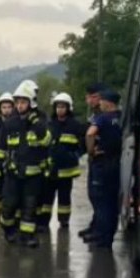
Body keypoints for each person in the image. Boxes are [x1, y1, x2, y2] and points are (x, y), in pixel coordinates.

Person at [0, 80, 50, 248]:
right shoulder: (10, 123)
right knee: (9, 207)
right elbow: (0, 146)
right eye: (17, 102)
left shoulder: (40, 121)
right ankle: (9, 230)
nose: (19, 106)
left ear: (31, 103)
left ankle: (28, 236)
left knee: (30, 207)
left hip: (33, 175)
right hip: (13, 174)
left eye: (23, 102)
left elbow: (47, 141)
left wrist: (36, 124)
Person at [85, 89, 123, 250]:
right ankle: (108, 237)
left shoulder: (103, 118)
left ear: (108, 102)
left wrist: (91, 151)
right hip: (118, 163)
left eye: (101, 101)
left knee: (100, 202)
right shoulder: (123, 117)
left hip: (102, 163)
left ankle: (101, 239)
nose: (99, 103)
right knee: (113, 203)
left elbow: (90, 133)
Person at [43, 92, 86, 228]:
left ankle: (64, 220)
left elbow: (83, 144)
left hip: (67, 169)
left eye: (62, 107)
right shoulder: (49, 124)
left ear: (68, 108)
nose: (60, 109)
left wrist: (76, 155)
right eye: (57, 107)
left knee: (64, 198)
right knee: (47, 197)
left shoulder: (75, 125)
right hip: (50, 168)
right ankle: (44, 222)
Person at [79, 82, 109, 242]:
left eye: (94, 97)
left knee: (99, 197)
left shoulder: (103, 114)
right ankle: (95, 225)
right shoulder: (94, 114)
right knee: (93, 195)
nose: (90, 100)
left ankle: (99, 230)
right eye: (89, 97)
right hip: (94, 160)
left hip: (102, 159)